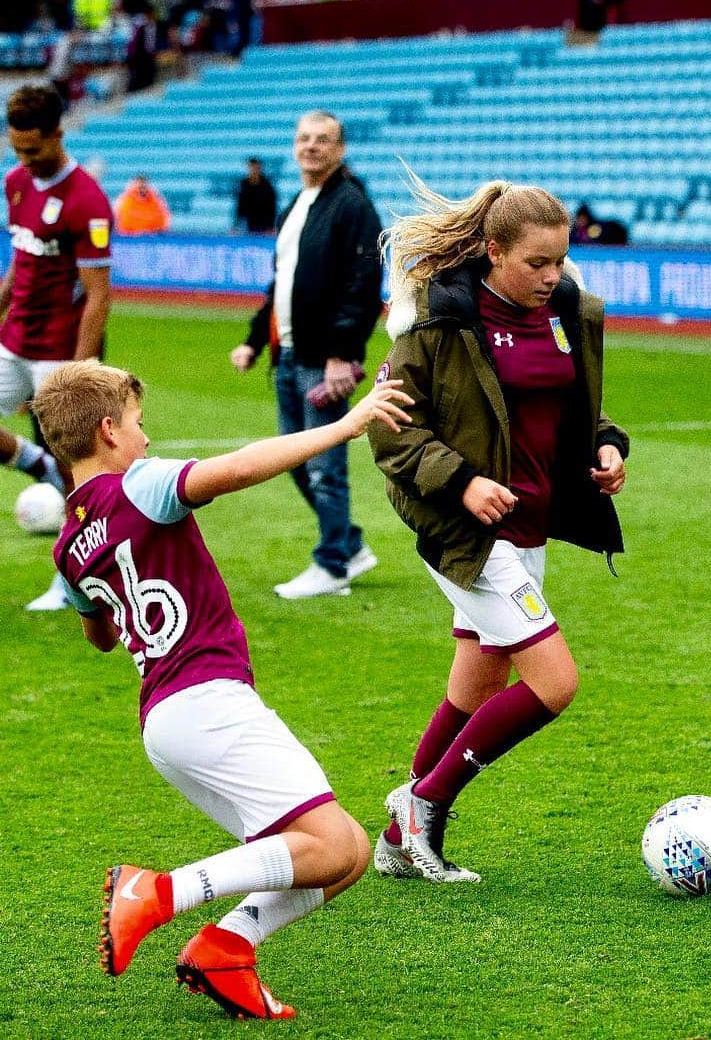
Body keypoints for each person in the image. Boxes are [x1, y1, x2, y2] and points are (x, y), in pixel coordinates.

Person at [31, 358, 412, 1020]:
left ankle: (226, 948)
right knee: (335, 845)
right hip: (207, 698)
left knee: (339, 851)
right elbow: (235, 467)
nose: (147, 439)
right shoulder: (141, 483)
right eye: (139, 425)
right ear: (107, 431)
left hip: (164, 721)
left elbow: (99, 634)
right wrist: (346, 425)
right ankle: (155, 892)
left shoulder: (67, 547)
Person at [369, 175, 629, 883]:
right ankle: (425, 802)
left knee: (477, 685)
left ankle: (397, 838)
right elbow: (391, 434)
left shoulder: (568, 311)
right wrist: (464, 479)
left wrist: (606, 449)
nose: (552, 277)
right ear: (492, 251)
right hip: (469, 534)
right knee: (555, 682)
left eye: (559, 261)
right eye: (535, 263)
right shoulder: (439, 322)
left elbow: (574, 413)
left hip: (533, 526)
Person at [230, 111, 384, 599]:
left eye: (323, 140)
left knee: (323, 464)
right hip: (287, 351)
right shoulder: (295, 203)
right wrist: (256, 339)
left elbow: (362, 286)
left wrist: (344, 354)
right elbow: (283, 283)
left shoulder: (353, 205)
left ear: (340, 150)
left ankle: (332, 565)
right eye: (304, 138)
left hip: (322, 358)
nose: (311, 147)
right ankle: (350, 545)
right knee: (292, 457)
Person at [1, 84, 112, 612]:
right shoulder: (16, 183)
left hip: (56, 351)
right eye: (17, 149)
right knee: (53, 465)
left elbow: (97, 296)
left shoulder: (87, 201)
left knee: (78, 473)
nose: (25, 161)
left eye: (34, 151)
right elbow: (18, 266)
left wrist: (78, 373)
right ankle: (32, 460)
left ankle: (71, 582)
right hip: (14, 339)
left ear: (58, 136)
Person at [235, 157, 277, 234]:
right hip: (249, 223)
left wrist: (272, 226)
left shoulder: (267, 185)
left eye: (256, 168)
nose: (254, 170)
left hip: (265, 223)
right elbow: (240, 206)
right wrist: (236, 225)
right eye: (252, 167)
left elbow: (272, 207)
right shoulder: (244, 184)